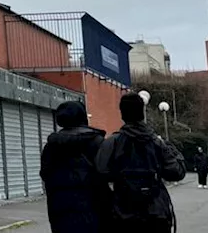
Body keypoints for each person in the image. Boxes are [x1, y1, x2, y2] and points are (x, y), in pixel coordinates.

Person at [96, 92, 186, 232]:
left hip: (123, 213)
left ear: (122, 114)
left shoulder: (112, 143)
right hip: (155, 212)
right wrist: (171, 150)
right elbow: (176, 172)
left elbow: (100, 173)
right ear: (142, 113)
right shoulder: (156, 143)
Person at [40, 100, 110, 233]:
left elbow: (45, 174)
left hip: (60, 209)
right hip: (94, 207)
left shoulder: (51, 146)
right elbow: (107, 172)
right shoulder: (96, 142)